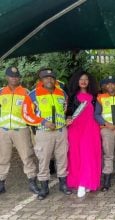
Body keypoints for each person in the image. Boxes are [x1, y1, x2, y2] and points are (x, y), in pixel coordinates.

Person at [22, 68, 72, 200]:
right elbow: (26, 114)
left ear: (55, 80)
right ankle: (44, 187)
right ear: (41, 80)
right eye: (46, 78)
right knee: (44, 159)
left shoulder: (62, 93)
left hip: (61, 131)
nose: (49, 80)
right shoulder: (33, 94)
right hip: (44, 133)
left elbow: (64, 110)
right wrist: (43, 122)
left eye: (51, 78)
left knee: (62, 158)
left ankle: (63, 185)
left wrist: (67, 119)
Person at [0, 67, 39, 194]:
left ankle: (32, 182)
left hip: (21, 130)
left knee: (27, 156)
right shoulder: (1, 92)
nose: (14, 78)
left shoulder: (26, 92)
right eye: (11, 76)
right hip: (3, 130)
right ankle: (1, 183)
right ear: (7, 77)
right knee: (2, 158)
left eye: (16, 76)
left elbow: (33, 110)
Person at [66, 69, 101, 198]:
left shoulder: (96, 96)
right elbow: (67, 112)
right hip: (75, 129)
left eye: (86, 79)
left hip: (91, 129)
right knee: (76, 156)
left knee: (88, 155)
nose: (84, 81)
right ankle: (78, 181)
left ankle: (85, 182)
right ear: (77, 81)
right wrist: (67, 118)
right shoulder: (71, 96)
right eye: (81, 79)